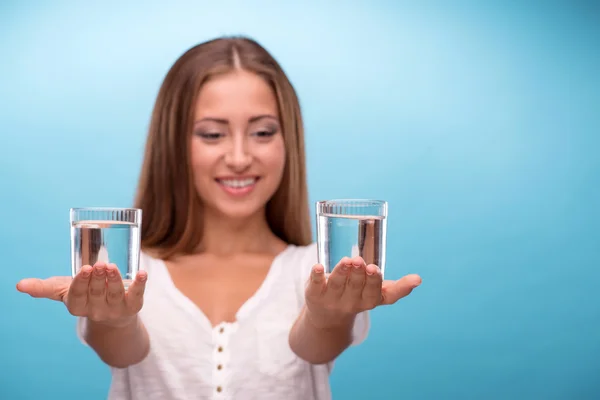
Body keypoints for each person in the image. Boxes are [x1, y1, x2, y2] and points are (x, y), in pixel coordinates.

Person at [16, 36, 422, 400]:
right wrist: (116, 320)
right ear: (173, 143)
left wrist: (329, 313)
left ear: (288, 141)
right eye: (212, 134)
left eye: (263, 132)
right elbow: (122, 350)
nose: (240, 157)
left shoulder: (321, 272)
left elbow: (317, 345)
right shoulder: (127, 275)